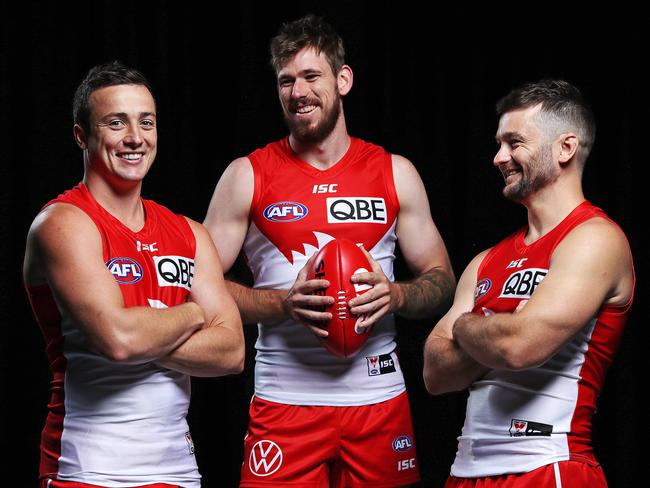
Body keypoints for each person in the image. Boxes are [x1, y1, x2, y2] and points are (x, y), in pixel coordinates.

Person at [203, 14, 455, 488]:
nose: (298, 92)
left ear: (343, 80)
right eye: (286, 80)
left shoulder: (394, 171)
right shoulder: (247, 174)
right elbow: (200, 288)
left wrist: (395, 296)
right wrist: (282, 303)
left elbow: (442, 281)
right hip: (284, 403)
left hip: (378, 401)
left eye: (311, 76)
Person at [23, 61, 244, 488]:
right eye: (116, 123)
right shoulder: (63, 224)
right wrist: (194, 316)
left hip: (177, 471)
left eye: (146, 122)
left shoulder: (189, 233)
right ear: (81, 136)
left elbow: (232, 352)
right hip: (86, 469)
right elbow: (119, 341)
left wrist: (142, 326)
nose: (135, 138)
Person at [423, 79, 635, 487]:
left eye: (514, 142)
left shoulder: (595, 238)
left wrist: (467, 325)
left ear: (565, 148)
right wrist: (501, 328)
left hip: (548, 465)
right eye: (498, 144)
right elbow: (434, 373)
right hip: (464, 472)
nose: (499, 157)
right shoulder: (485, 261)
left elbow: (518, 346)